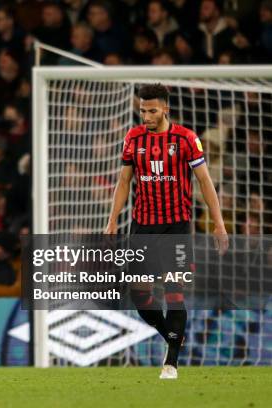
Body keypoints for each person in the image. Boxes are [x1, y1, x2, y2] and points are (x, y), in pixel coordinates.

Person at [105, 84, 228, 380]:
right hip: (143, 227)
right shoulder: (133, 138)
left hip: (177, 227)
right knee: (141, 298)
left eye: (152, 110)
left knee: (175, 294)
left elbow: (204, 181)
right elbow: (124, 182)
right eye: (142, 110)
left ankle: (170, 362)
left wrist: (219, 223)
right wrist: (111, 221)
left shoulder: (186, 139)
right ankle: (171, 334)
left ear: (165, 109)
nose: (145, 116)